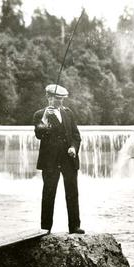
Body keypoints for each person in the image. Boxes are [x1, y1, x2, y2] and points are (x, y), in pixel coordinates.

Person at [33, 84, 85, 234]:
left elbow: (76, 136)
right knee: (49, 193)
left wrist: (74, 148)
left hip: (69, 160)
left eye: (62, 99)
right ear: (49, 98)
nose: (60, 102)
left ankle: (74, 226)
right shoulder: (39, 114)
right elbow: (39, 134)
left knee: (72, 192)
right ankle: (45, 228)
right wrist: (44, 118)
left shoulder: (68, 113)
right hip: (50, 161)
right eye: (57, 99)